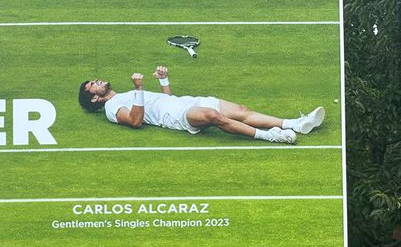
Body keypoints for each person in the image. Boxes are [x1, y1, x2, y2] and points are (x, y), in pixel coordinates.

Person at [79, 65, 324, 144]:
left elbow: (167, 98)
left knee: (241, 111)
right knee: (213, 116)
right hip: (176, 117)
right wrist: (140, 90)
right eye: (93, 84)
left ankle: (297, 123)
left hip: (183, 102)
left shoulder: (124, 95)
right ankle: (271, 136)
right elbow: (135, 122)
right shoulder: (112, 109)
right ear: (95, 98)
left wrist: (164, 80)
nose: (97, 81)